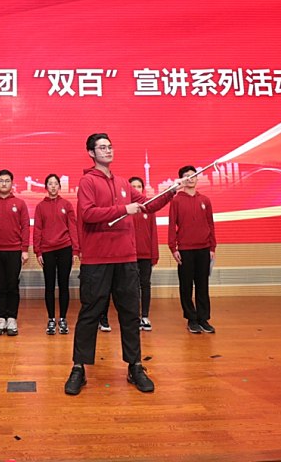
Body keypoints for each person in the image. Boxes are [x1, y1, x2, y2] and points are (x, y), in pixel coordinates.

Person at [64, 134, 178, 396]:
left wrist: (172, 191)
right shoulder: (87, 181)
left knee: (129, 314)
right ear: (91, 153)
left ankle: (135, 366)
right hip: (97, 260)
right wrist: (123, 210)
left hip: (126, 259)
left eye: (110, 146)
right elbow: (88, 214)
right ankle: (79, 368)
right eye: (102, 147)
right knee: (90, 314)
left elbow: (147, 205)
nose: (108, 150)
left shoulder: (123, 182)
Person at [168, 165, 217, 335]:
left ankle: (203, 319)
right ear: (182, 179)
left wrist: (212, 247)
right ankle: (191, 319)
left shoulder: (205, 200)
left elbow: (210, 224)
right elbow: (171, 225)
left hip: (204, 249)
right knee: (186, 285)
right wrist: (173, 248)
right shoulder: (176, 200)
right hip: (185, 250)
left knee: (202, 285)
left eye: (194, 175)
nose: (191, 178)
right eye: (187, 176)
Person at [0, 169, 30, 336]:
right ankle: (1, 318)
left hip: (15, 250)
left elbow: (25, 227)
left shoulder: (20, 203)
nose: (4, 183)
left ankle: (12, 318)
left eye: (7, 180)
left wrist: (25, 249)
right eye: (1, 180)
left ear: (12, 183)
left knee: (12, 285)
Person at [32, 174, 79, 335]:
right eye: (50, 184)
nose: (53, 186)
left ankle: (63, 319)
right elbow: (37, 229)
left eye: (55, 183)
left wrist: (75, 250)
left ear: (59, 186)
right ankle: (51, 319)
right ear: (46, 187)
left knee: (64, 285)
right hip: (47, 250)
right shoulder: (40, 207)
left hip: (65, 248)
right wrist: (38, 250)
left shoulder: (67, 204)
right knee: (49, 285)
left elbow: (72, 227)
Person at [129, 176, 159, 331]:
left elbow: (153, 233)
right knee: (131, 287)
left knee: (145, 285)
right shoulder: (125, 209)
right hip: (129, 256)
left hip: (146, 255)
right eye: (133, 186)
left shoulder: (149, 208)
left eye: (139, 186)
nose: (136, 189)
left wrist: (154, 255)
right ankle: (133, 317)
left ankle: (145, 316)